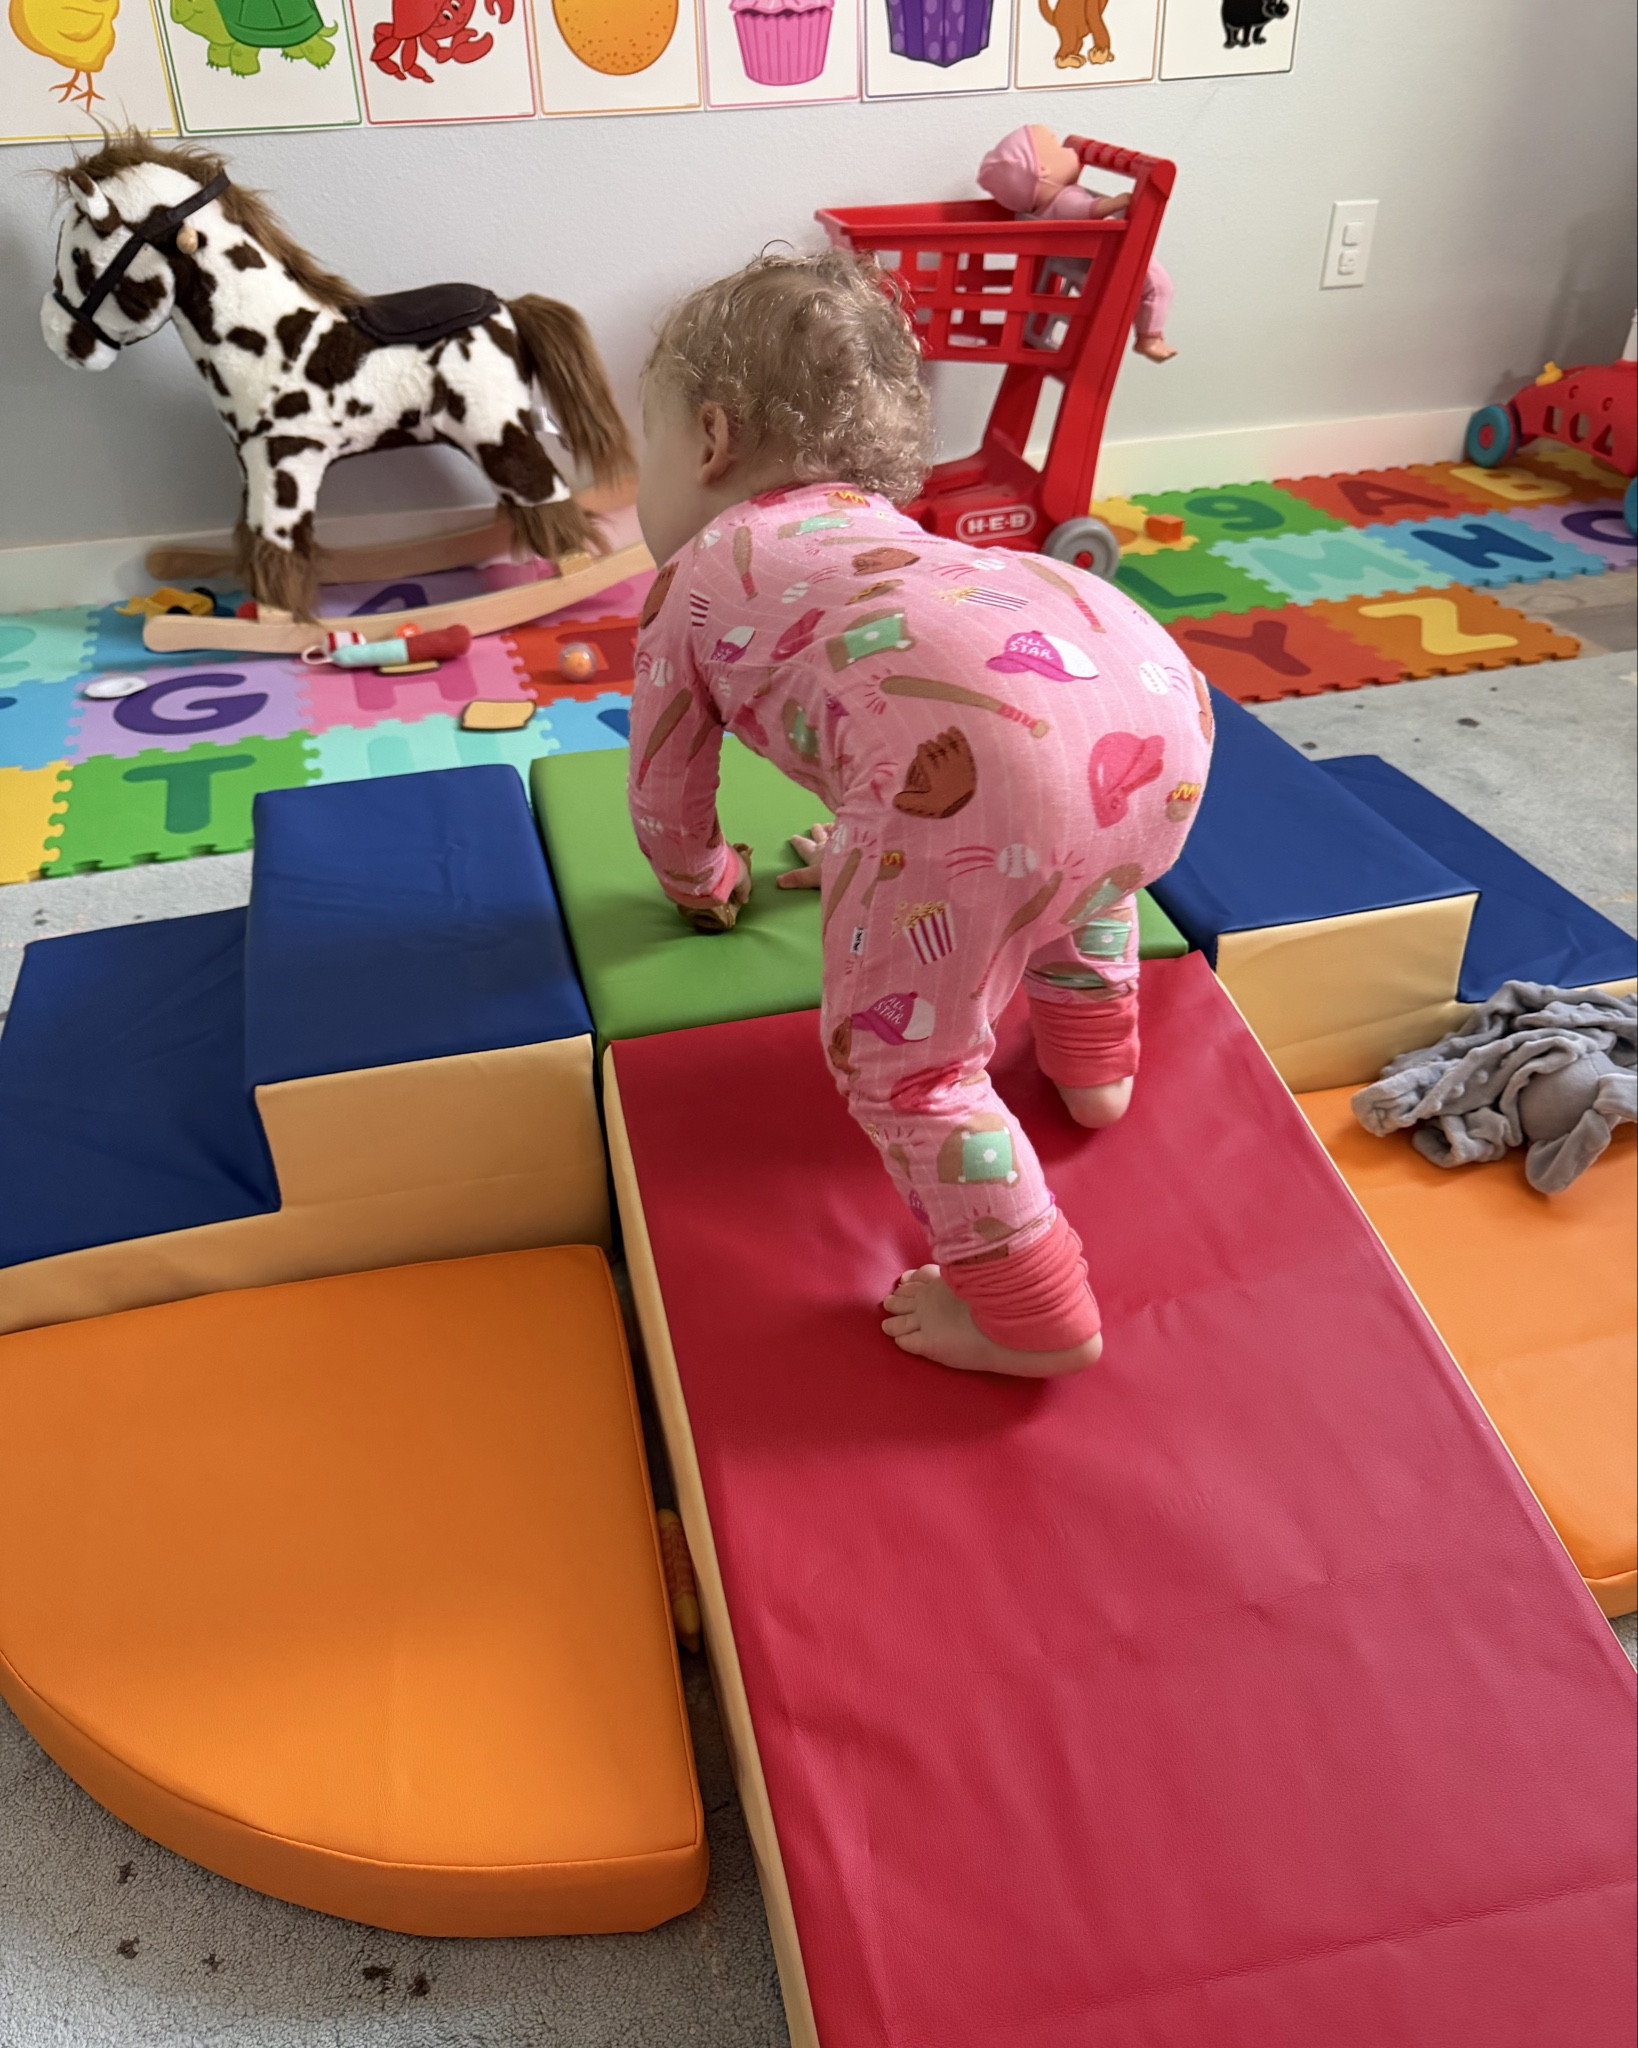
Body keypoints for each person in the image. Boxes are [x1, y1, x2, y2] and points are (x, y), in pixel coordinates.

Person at [628, 252, 1211, 1377]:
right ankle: (1095, 1067)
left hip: (990, 776)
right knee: (1078, 860)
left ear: (706, 440)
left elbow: (666, 793)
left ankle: (1029, 1310)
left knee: (904, 1063)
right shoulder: (901, 541)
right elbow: (957, 737)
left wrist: (704, 881)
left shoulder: (696, 579)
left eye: (645, 450)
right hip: (1149, 687)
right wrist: (866, 842)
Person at [977, 124, 1177, 361]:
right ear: (1042, 170)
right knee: (1160, 286)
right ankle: (1150, 338)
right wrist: (1115, 203)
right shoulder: (1064, 199)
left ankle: (1146, 333)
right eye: (1058, 147)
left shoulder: (1040, 211)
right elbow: (1087, 209)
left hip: (1085, 268)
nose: (1070, 152)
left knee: (1134, 300)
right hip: (1116, 258)